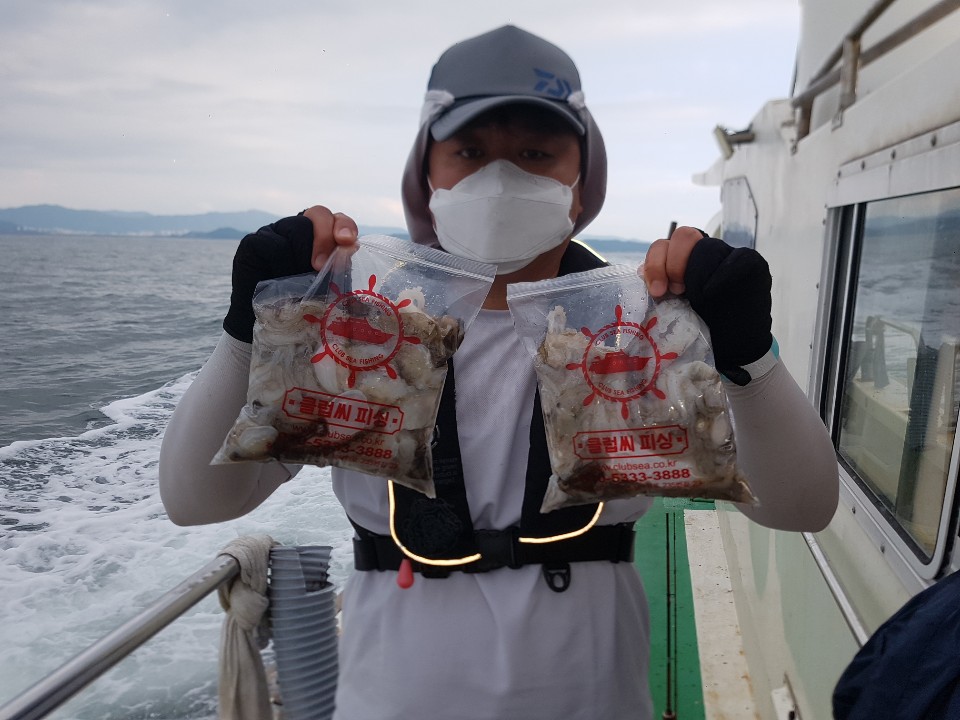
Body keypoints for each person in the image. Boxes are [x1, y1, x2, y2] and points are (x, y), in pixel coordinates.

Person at [159, 24, 839, 720]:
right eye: (470, 152)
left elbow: (802, 507)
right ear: (426, 173)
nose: (502, 176)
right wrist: (246, 334)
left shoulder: (647, 329)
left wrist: (748, 357)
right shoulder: (353, 326)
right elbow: (196, 499)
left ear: (583, 180)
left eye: (536, 153)